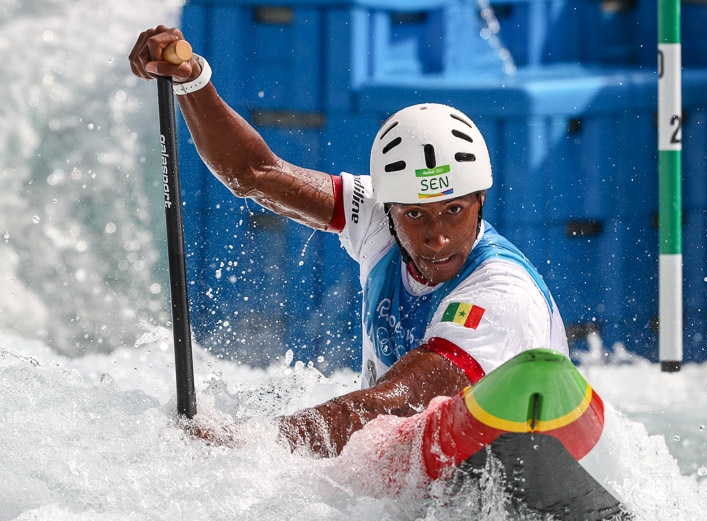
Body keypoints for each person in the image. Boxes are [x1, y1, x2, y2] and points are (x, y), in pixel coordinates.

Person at [129, 26, 569, 458]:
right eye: (415, 214)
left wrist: (242, 445)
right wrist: (193, 82)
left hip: (510, 453)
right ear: (389, 211)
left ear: (481, 201)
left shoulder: (502, 294)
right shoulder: (376, 217)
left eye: (455, 210)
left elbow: (390, 406)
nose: (437, 236)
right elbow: (254, 174)